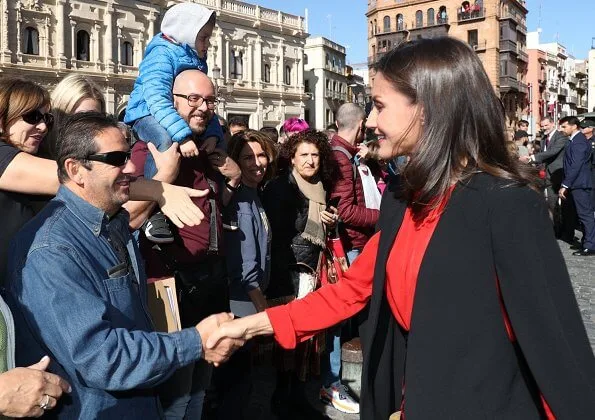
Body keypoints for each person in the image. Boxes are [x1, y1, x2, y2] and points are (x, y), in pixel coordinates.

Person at [206, 37, 595, 420]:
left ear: (428, 109)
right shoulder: (403, 198)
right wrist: (250, 328)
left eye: (378, 106)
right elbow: (351, 290)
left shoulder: (508, 204)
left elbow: (554, 352)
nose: (370, 121)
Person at [6, 112, 243, 419]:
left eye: (129, 155)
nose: (132, 167)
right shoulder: (52, 251)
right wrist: (195, 341)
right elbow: (103, 359)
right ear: (75, 169)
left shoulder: (113, 223)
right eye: (117, 158)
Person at [126, 69, 240, 419]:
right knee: (176, 392)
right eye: (193, 99)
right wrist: (166, 177)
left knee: (201, 387)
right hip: (169, 285)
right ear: (169, 102)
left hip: (209, 278)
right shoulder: (153, 150)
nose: (203, 108)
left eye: (209, 100)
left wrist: (230, 175)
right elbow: (128, 218)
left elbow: (220, 200)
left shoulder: (205, 149)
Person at [124, 3, 225, 243]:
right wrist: (183, 136)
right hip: (146, 111)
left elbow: (204, 103)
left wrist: (213, 134)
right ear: (187, 32)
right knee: (165, 142)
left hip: (167, 113)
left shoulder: (196, 60)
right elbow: (157, 98)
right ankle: (154, 212)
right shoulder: (162, 52)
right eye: (203, 37)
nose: (207, 43)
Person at [261, 129, 338, 418]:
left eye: (315, 155)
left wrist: (332, 221)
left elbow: (318, 233)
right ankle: (283, 402)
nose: (309, 161)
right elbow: (278, 238)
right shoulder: (282, 188)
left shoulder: (321, 186)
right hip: (291, 275)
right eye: (303, 155)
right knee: (289, 340)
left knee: (307, 340)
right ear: (291, 158)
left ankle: (296, 397)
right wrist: (283, 286)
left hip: (311, 272)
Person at [213, 130, 276, 419]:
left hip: (248, 299)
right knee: (236, 385)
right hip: (242, 301)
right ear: (235, 162)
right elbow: (246, 266)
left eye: (261, 155)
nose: (257, 163)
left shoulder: (253, 195)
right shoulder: (241, 201)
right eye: (247, 157)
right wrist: (264, 311)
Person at [521, 117, 572, 239]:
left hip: (558, 173)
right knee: (549, 203)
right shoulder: (544, 138)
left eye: (546, 126)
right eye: (542, 126)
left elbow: (552, 152)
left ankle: (563, 231)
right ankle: (554, 229)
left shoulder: (561, 136)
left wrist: (532, 158)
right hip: (545, 174)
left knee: (560, 204)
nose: (544, 128)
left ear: (552, 124)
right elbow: (544, 156)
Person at [40, 73, 105, 160]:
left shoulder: (101, 156)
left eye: (95, 118)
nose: (86, 126)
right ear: (58, 116)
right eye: (78, 117)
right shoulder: (34, 154)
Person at [558, 116, 595, 256]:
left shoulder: (578, 141)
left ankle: (590, 245)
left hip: (579, 183)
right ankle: (589, 242)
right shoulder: (575, 140)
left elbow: (575, 165)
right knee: (583, 214)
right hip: (578, 183)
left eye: (564, 126)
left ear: (574, 126)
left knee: (585, 215)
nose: (562, 129)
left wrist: (565, 184)